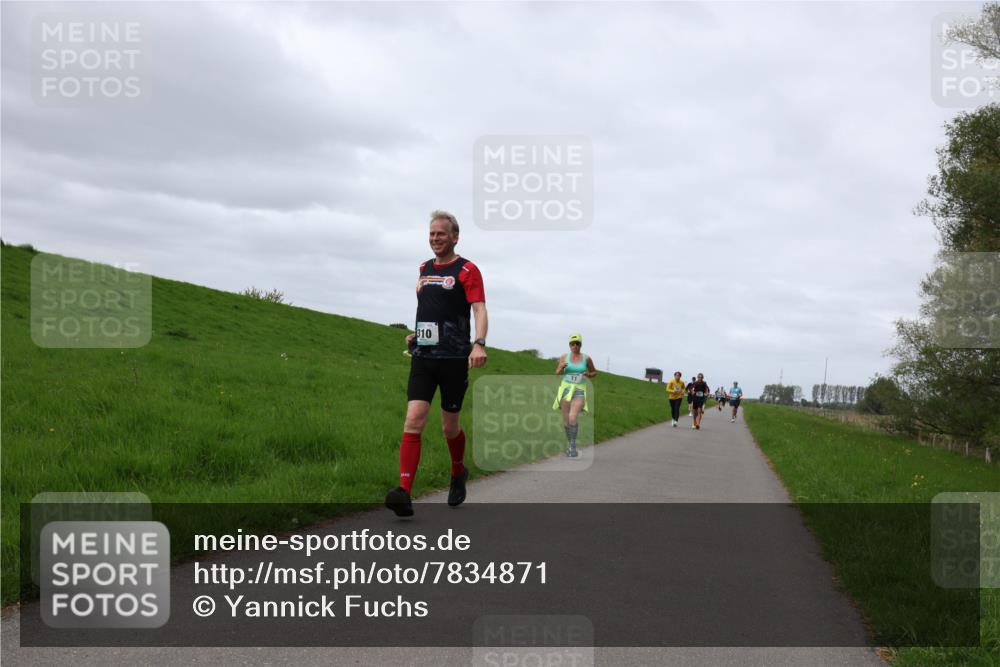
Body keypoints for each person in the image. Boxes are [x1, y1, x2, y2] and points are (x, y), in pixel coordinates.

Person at [385, 211, 488, 517]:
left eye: (441, 234)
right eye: (431, 234)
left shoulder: (467, 270)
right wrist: (417, 334)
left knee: (449, 427)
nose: (435, 238)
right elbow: (430, 309)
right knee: (414, 419)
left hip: (454, 360)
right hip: (424, 358)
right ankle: (404, 492)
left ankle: (458, 471)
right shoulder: (424, 268)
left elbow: (479, 309)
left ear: (455, 237)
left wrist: (479, 343)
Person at [553, 334, 597, 457]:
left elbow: (594, 372)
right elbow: (557, 373)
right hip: (565, 389)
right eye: (573, 344)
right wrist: (561, 367)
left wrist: (588, 374)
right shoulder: (564, 357)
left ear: (581, 345)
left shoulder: (586, 358)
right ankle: (570, 444)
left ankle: (572, 447)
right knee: (567, 420)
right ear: (569, 345)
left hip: (579, 390)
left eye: (578, 343)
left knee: (572, 417)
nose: (575, 346)